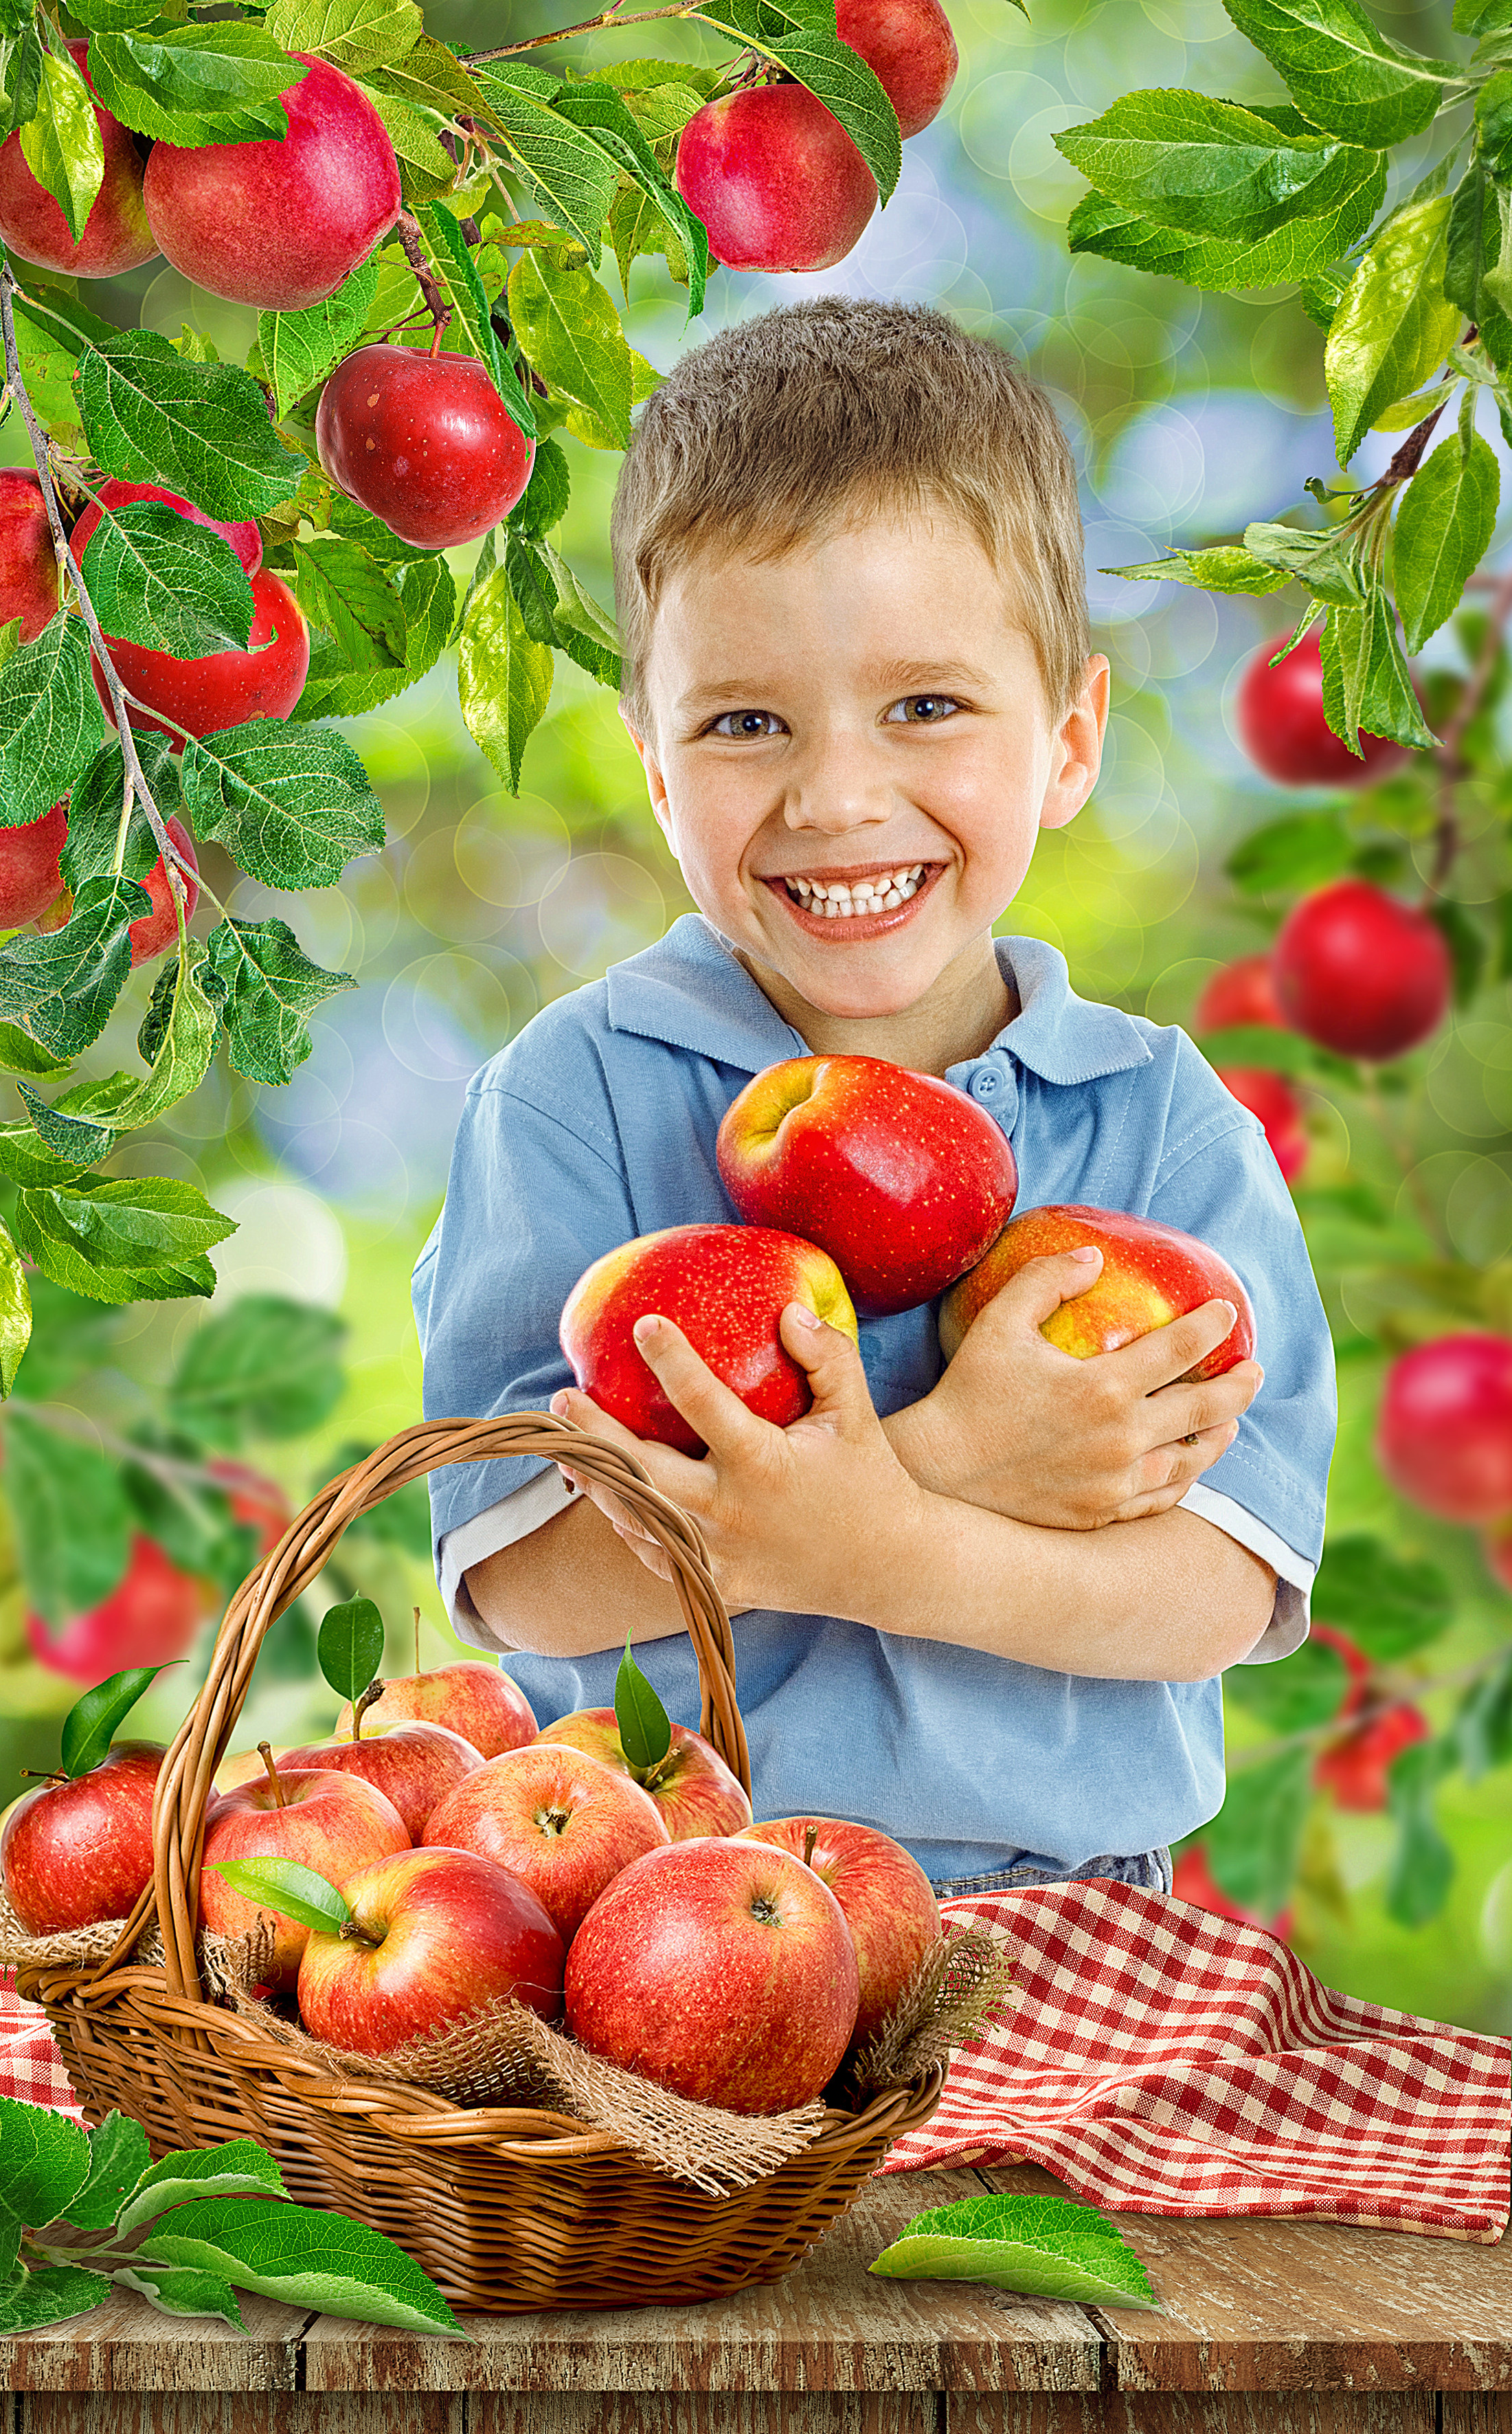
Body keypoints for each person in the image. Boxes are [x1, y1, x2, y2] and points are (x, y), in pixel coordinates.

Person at [413, 297, 1335, 1900]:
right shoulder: (578, 1095)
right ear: (650, 760)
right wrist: (938, 1459)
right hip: (665, 1924)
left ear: (1066, 738)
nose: (836, 797)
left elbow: (1215, 1587)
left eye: (924, 706)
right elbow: (524, 1582)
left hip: (1074, 1923)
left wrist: (879, 1534)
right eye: (744, 721)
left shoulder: (1157, 1120)